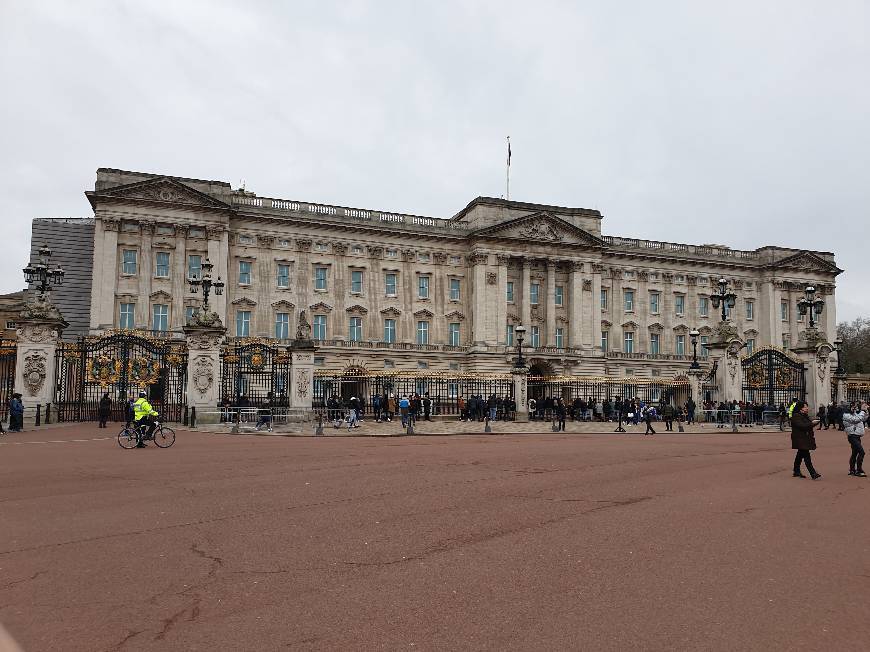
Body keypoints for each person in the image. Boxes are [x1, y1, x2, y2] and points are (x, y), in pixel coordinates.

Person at [790, 400, 820, 479]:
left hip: (804, 438)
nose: (807, 408)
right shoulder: (796, 416)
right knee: (806, 455)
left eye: (807, 406)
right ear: (800, 408)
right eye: (805, 407)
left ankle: (796, 471)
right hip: (800, 438)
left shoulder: (804, 416)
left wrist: (814, 423)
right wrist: (812, 423)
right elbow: (802, 426)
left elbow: (807, 425)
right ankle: (813, 473)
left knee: (800, 455)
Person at [842, 401, 868, 477]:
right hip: (852, 436)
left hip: (857, 435)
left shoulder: (854, 414)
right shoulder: (846, 415)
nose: (855, 408)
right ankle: (859, 470)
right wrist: (862, 411)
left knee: (855, 453)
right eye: (853, 407)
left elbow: (863, 419)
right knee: (862, 452)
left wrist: (865, 411)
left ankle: (852, 470)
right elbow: (856, 420)